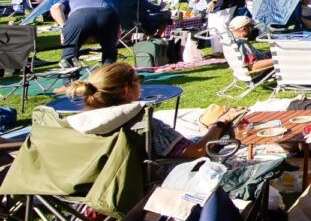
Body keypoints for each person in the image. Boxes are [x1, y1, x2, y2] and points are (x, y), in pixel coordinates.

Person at [65, 63, 237, 159]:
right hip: (148, 183)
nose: (140, 83)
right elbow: (197, 152)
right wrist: (221, 122)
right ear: (126, 90)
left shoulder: (75, 125)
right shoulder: (143, 122)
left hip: (92, 186)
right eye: (137, 79)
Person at [51, 0, 121, 69]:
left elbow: (56, 8)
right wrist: (114, 42)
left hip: (80, 16)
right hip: (106, 14)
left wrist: (64, 26)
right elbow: (117, 21)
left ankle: (70, 77)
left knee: (69, 55)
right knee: (109, 53)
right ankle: (108, 76)